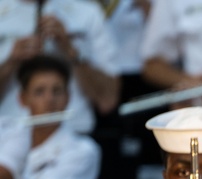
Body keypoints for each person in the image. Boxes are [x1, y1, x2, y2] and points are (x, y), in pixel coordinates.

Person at [0, 0, 121, 134]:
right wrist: (11, 61)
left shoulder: (88, 14)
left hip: (74, 133)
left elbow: (108, 99)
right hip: (8, 135)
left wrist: (70, 50)